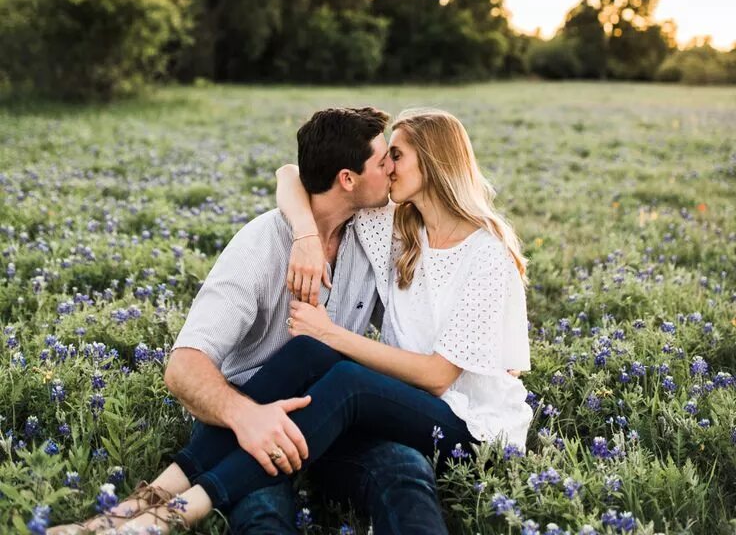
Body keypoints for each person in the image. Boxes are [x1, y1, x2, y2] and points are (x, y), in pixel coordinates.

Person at [63, 108, 532, 533]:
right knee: (308, 367)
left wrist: (331, 332)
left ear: (430, 163)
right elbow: (293, 173)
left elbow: (436, 377)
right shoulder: (396, 229)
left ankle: (169, 518)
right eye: (383, 158)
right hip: (290, 409)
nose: (388, 167)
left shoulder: (454, 246)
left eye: (396, 155)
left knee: (364, 408)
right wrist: (305, 235)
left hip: (452, 422)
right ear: (349, 179)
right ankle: (139, 507)